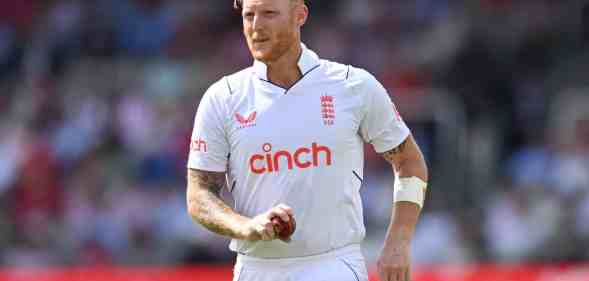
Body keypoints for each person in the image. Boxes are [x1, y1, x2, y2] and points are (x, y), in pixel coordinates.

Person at [186, 0, 428, 280]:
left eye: (269, 14)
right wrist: (246, 227)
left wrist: (399, 241)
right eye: (248, 15)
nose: (256, 26)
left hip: (334, 265)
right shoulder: (222, 98)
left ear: (300, 15)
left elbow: (409, 162)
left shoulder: (353, 85)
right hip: (256, 268)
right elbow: (199, 195)